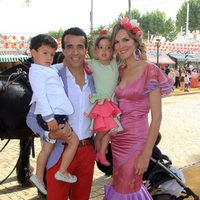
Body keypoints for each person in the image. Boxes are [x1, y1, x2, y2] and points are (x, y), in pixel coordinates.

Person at [104, 17, 174, 199]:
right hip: (117, 140)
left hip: (136, 141)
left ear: (136, 41)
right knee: (121, 184)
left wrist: (146, 153)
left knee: (127, 189)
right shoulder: (119, 70)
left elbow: (157, 117)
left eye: (125, 40)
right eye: (116, 42)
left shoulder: (150, 70)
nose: (120, 46)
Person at [26, 28, 96, 200]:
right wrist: (49, 133)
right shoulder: (51, 74)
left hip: (87, 151)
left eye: (80, 46)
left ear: (86, 49)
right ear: (63, 50)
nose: (75, 52)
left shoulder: (94, 78)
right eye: (69, 46)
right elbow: (31, 118)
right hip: (60, 151)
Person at [28, 34, 79, 195]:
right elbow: (41, 96)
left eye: (51, 54)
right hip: (53, 116)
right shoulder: (36, 72)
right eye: (44, 53)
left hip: (55, 115)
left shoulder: (47, 69)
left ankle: (38, 177)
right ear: (33, 52)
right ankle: (62, 171)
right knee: (74, 140)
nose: (49, 57)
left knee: (46, 149)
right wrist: (49, 118)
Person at [86, 32, 123, 166]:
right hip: (101, 103)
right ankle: (98, 149)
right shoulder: (93, 64)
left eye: (108, 48)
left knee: (110, 129)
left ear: (113, 51)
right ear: (95, 51)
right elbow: (77, 63)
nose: (104, 51)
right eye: (101, 47)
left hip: (112, 102)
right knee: (103, 130)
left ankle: (101, 151)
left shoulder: (114, 64)